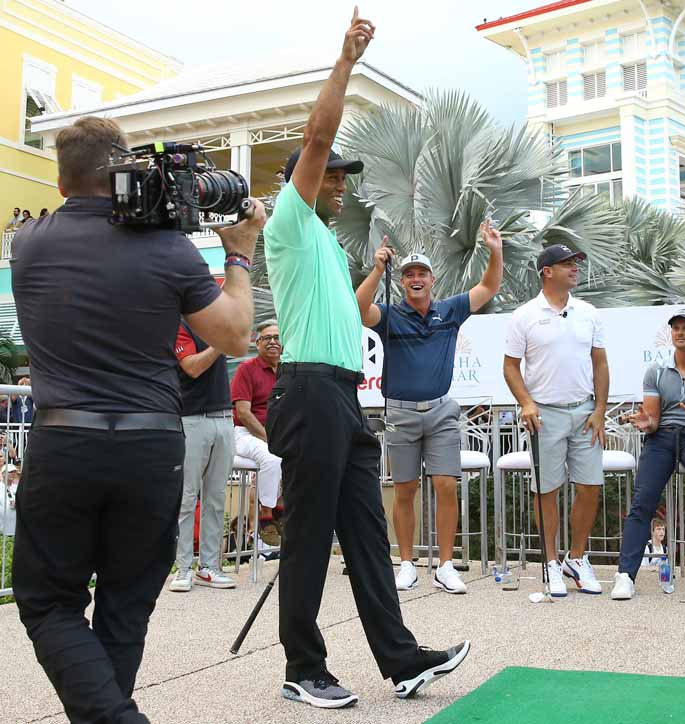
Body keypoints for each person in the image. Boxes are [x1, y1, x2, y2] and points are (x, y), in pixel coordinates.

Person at [10, 113, 261, 724]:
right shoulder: (168, 248)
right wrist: (241, 255)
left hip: (64, 440)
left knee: (48, 603)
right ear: (123, 168)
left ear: (62, 178)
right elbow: (234, 336)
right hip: (151, 445)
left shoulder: (28, 243)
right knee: (125, 603)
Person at [261, 11, 467, 709]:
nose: (340, 182)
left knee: (369, 537)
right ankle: (302, 669)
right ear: (303, 180)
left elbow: (347, 313)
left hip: (342, 395)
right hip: (309, 392)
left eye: (343, 176)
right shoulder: (290, 219)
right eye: (332, 175)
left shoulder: (322, 241)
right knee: (310, 540)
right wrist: (345, 61)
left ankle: (402, 659)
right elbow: (318, 134)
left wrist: (371, 275)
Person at [355, 221, 504, 595]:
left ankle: (446, 565)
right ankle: (406, 563)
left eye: (421, 273)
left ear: (432, 279)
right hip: (401, 413)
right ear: (403, 282)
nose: (415, 279)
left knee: (445, 485)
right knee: (404, 489)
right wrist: (376, 270)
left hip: (441, 411)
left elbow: (488, 288)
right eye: (409, 275)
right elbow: (358, 310)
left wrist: (495, 251)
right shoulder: (390, 314)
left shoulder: (450, 311)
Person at [503, 243, 610, 597]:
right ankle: (550, 562)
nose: (575, 269)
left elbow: (600, 364)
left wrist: (600, 410)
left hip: (584, 412)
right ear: (547, 271)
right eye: (567, 264)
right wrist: (526, 402)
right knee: (546, 489)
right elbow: (510, 367)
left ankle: (576, 559)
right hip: (544, 415)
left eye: (576, 263)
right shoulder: (524, 315)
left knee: (590, 486)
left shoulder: (589, 313)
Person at [611, 309, 685, 601]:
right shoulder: (656, 370)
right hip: (662, 438)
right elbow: (652, 419)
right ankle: (625, 575)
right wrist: (645, 423)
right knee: (642, 502)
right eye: (676, 328)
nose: (680, 332)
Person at [168, 321, 237, 593]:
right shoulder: (180, 325)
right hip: (192, 418)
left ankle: (208, 568)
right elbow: (192, 367)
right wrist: (222, 340)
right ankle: (183, 568)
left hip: (223, 415)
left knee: (216, 498)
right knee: (187, 496)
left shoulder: (216, 324)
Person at [229, 320, 284, 541]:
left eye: (276, 338)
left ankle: (283, 508)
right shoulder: (246, 369)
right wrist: (268, 437)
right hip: (246, 434)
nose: (272, 342)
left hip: (280, 433)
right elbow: (243, 413)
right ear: (257, 343)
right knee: (272, 458)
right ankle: (266, 514)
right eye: (266, 338)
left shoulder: (290, 370)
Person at [0, 465, 19, 536]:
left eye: (14, 472)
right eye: (10, 472)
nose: (13, 474)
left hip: (15, 529)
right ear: (3, 473)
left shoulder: (18, 487)